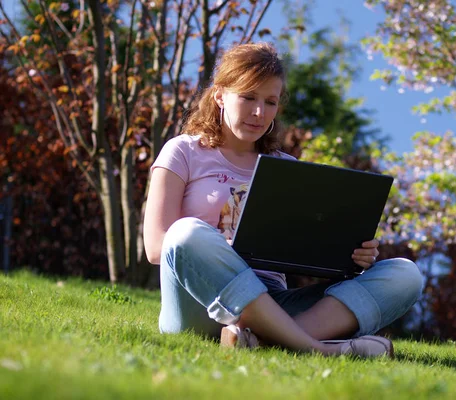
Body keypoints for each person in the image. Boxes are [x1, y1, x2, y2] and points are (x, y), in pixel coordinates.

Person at [143, 42, 423, 358]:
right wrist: (221, 246)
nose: (259, 112)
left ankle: (263, 340)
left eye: (270, 102)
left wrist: (351, 257)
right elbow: (157, 247)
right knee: (186, 233)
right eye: (248, 97)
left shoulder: (285, 168)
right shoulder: (183, 151)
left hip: (274, 301)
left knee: (405, 274)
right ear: (220, 95)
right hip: (199, 302)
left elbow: (305, 252)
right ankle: (312, 347)